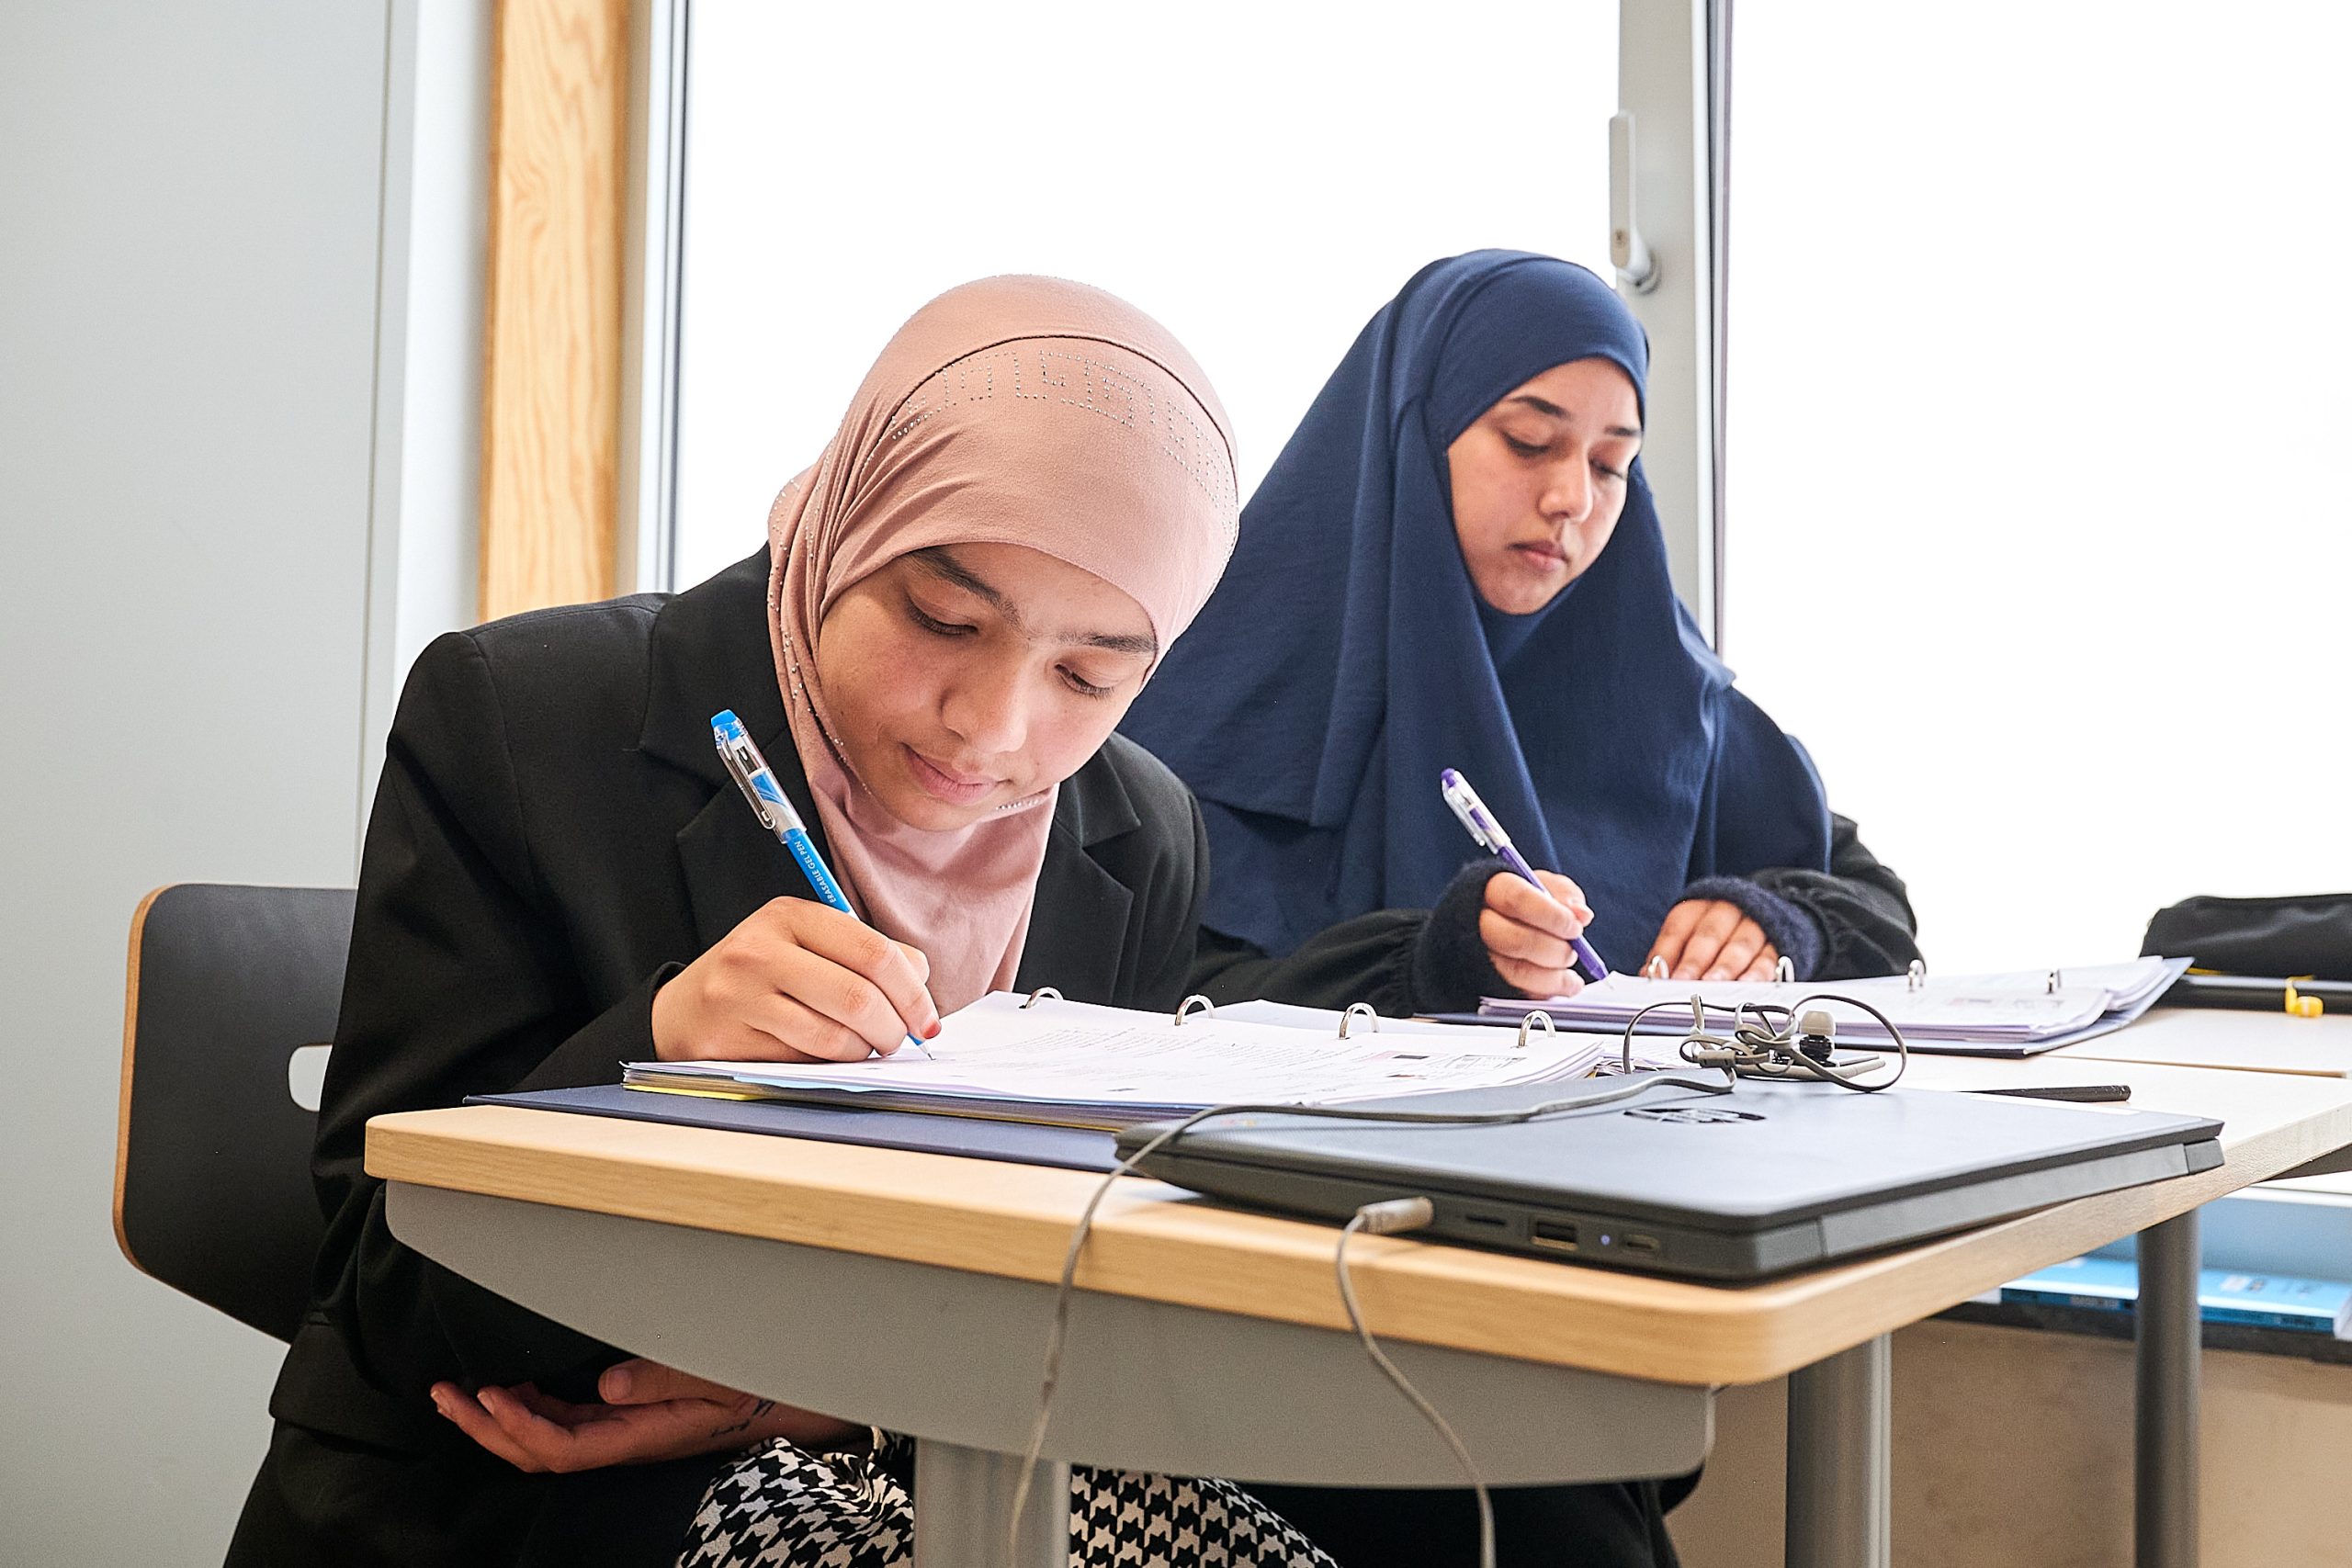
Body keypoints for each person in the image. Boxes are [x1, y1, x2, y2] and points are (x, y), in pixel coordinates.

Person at [227, 276, 1335, 1568]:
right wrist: (657, 1048)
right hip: (516, 1500)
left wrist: (815, 1400)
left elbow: (1086, 1304)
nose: (992, 725)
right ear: (857, 515)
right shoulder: (528, 718)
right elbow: (384, 1293)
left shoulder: (1137, 833)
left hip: (927, 1469)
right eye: (944, 618)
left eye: (1088, 675)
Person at [1121, 250, 1919, 1018]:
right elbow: (1146, 989)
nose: (1574, 497)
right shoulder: (1211, 695)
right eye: (1530, 442)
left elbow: (1875, 905)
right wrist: (1424, 964)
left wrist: (1774, 922)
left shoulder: (1666, 695)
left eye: (1611, 465)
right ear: (1414, 431)